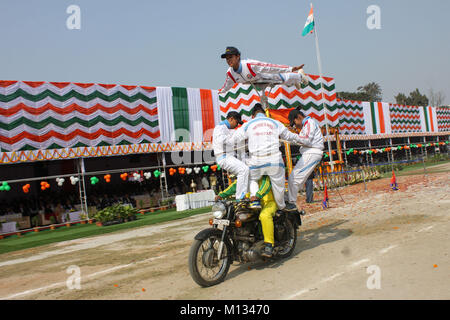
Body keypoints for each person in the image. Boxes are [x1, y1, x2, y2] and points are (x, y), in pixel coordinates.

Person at [228, 103, 306, 210]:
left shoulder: (248, 124)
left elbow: (233, 140)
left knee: (251, 178)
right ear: (265, 114)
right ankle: (282, 206)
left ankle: (255, 199)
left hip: (256, 162)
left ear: (253, 116)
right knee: (278, 187)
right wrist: (303, 140)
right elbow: (289, 136)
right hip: (275, 161)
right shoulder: (275, 122)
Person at [216, 175, 277, 258]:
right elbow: (235, 186)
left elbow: (266, 185)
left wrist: (258, 195)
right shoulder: (245, 176)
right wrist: (221, 195)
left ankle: (269, 245)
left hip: (268, 203)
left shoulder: (264, 175)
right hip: (251, 204)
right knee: (235, 215)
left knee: (264, 216)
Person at [219, 46, 309, 94]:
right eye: (227, 59)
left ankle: (299, 75)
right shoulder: (230, 73)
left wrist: (291, 68)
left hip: (262, 76)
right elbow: (227, 85)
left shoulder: (250, 64)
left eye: (231, 57)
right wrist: (221, 92)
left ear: (238, 56)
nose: (229, 60)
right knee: (281, 83)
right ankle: (294, 81)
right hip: (254, 83)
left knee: (281, 78)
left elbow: (270, 67)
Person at [285, 109, 324, 211]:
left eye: (294, 123)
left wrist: (291, 136)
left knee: (294, 179)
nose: (295, 125)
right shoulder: (306, 125)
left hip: (312, 153)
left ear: (298, 117)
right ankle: (291, 200)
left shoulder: (309, 123)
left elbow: (306, 140)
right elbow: (302, 141)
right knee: (293, 178)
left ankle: (291, 203)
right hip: (308, 153)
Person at [212, 111, 249, 201]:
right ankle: (240, 197)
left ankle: (241, 195)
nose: (237, 125)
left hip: (228, 156)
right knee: (243, 170)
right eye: (236, 122)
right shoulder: (220, 128)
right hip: (223, 157)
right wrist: (236, 138)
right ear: (231, 119)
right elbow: (223, 142)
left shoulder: (225, 129)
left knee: (246, 170)